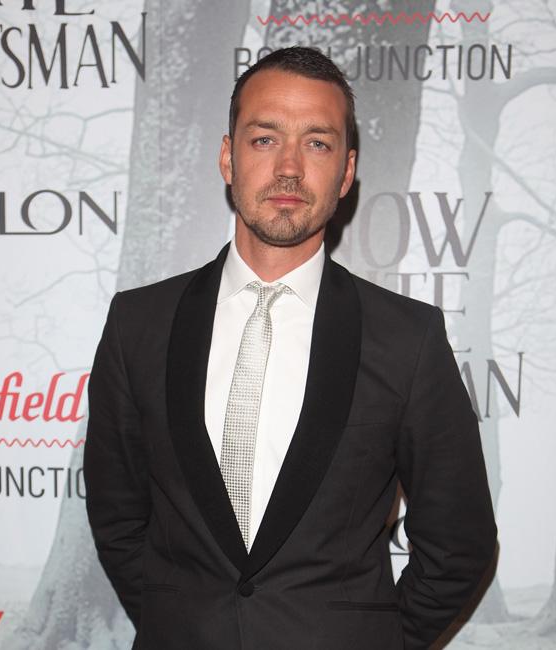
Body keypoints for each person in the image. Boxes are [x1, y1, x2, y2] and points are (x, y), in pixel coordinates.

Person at [84, 46, 496, 650]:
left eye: (318, 143)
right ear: (227, 157)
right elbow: (117, 516)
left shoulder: (408, 339)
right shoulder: (138, 324)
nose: (289, 168)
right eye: (264, 139)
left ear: (346, 173)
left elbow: (459, 542)